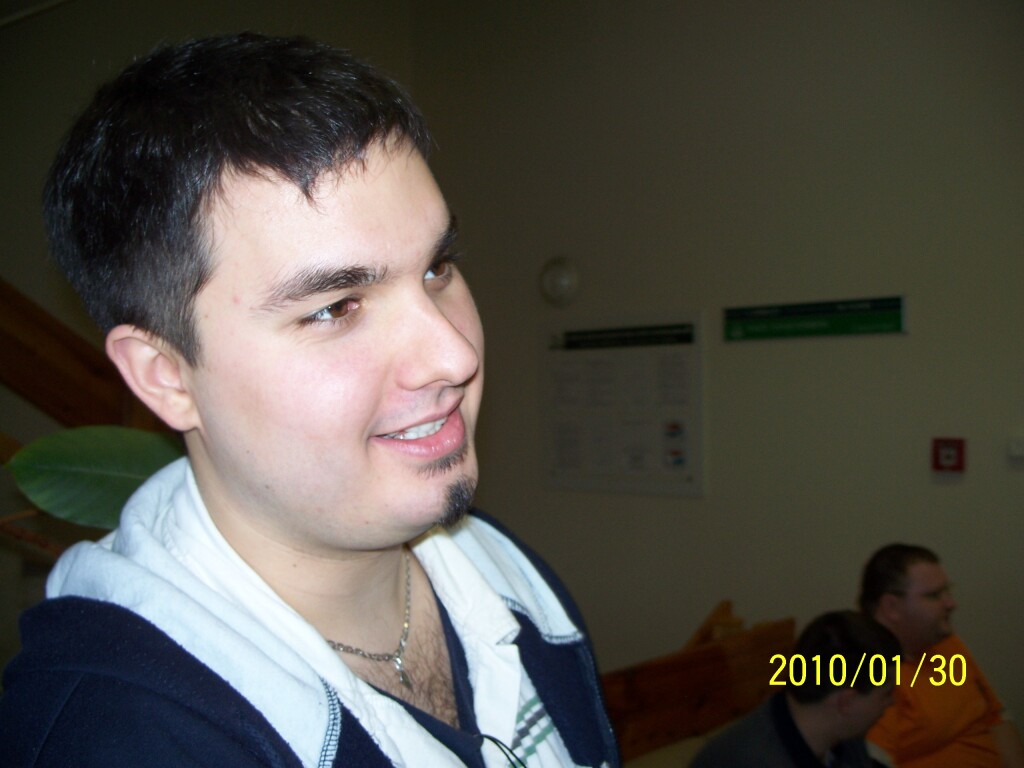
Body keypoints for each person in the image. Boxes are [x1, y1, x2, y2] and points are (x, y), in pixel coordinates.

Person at [0, 33, 618, 767]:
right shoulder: (115, 739)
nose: (455, 356)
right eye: (335, 307)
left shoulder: (508, 581)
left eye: (438, 268)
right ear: (166, 377)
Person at [859, 543, 1024, 767]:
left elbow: (996, 717)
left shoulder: (946, 643)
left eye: (948, 591)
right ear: (891, 607)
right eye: (934, 595)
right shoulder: (872, 675)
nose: (951, 603)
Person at [691, 610, 900, 768]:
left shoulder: (842, 738)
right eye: (886, 693)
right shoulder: (750, 759)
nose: (892, 702)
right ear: (847, 702)